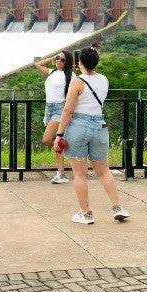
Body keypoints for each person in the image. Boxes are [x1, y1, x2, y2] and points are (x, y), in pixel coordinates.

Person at [54, 46, 129, 224]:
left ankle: (85, 214)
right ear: (96, 62)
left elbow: (69, 110)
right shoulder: (104, 80)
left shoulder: (77, 82)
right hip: (99, 127)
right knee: (103, 171)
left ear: (80, 63)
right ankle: (118, 207)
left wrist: (59, 134)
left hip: (79, 128)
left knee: (80, 174)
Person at [34, 50, 74, 184]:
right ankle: (61, 173)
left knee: (47, 140)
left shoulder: (71, 75)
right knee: (57, 141)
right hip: (48, 108)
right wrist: (52, 57)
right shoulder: (51, 72)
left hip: (60, 108)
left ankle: (71, 149)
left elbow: (75, 94)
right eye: (58, 58)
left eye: (62, 60)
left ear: (67, 62)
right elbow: (37, 64)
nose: (59, 61)